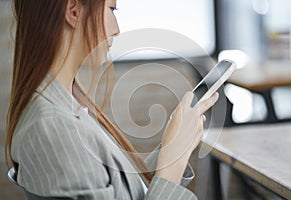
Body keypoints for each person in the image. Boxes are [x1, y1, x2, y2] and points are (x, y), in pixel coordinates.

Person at [5, 0, 219, 199]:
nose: (117, 29)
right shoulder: (54, 128)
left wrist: (173, 146)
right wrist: (172, 164)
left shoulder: (64, 106)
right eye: (111, 10)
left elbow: (118, 188)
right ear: (73, 11)